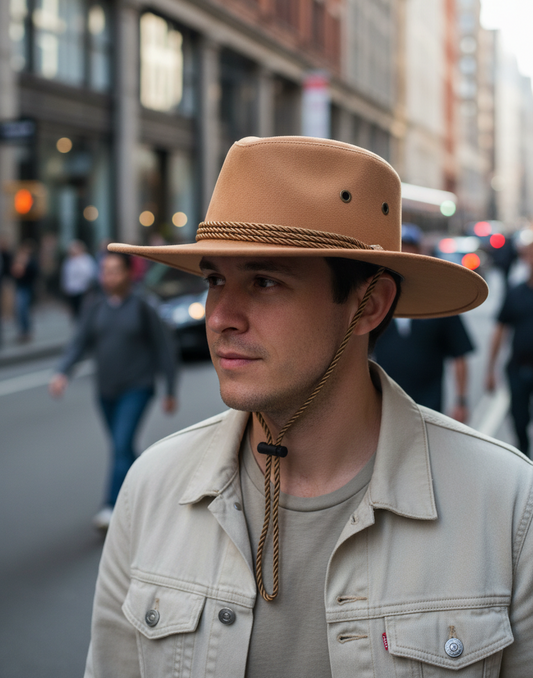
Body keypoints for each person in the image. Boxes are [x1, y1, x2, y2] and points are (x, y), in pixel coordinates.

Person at [85, 136, 533, 677]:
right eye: (214, 280)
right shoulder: (153, 487)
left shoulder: (507, 506)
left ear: (369, 305)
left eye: (266, 281)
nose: (220, 315)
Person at [50, 252, 179, 530]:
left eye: (114, 271)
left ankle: (110, 506)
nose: (108, 277)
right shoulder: (95, 308)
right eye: (104, 271)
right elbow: (79, 343)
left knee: (120, 446)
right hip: (106, 391)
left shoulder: (144, 306)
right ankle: (154, 485)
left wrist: (170, 389)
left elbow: (164, 348)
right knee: (124, 450)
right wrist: (62, 372)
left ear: (129, 274)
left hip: (138, 387)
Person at [372, 224, 474, 421]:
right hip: (384, 404)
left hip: (429, 406)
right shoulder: (374, 300)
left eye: (411, 251)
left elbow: (459, 354)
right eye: (400, 251)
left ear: (420, 254)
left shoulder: (439, 303)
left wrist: (461, 400)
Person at [486, 241, 533, 454]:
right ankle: (524, 454)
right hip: (519, 366)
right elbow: (499, 331)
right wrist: (490, 369)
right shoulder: (515, 293)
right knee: (519, 417)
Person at [10, 239, 39, 343]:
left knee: (23, 309)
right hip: (20, 287)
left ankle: (26, 330)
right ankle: (23, 330)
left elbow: (34, 273)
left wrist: (25, 266)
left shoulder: (31, 261)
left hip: (27, 287)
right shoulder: (18, 260)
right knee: (19, 309)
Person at [60, 240, 97, 318]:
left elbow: (90, 273)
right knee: (74, 309)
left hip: (83, 289)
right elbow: (66, 275)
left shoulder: (86, 259)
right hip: (72, 289)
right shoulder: (68, 261)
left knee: (83, 309)